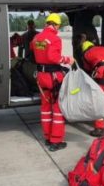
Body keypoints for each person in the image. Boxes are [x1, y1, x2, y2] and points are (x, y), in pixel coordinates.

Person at [31, 12, 74, 152]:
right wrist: (68, 60)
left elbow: (34, 51)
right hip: (53, 77)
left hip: (41, 76)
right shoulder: (55, 39)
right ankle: (56, 140)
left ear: (46, 23)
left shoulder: (36, 38)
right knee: (57, 109)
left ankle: (47, 137)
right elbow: (53, 56)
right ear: (56, 25)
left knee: (45, 108)